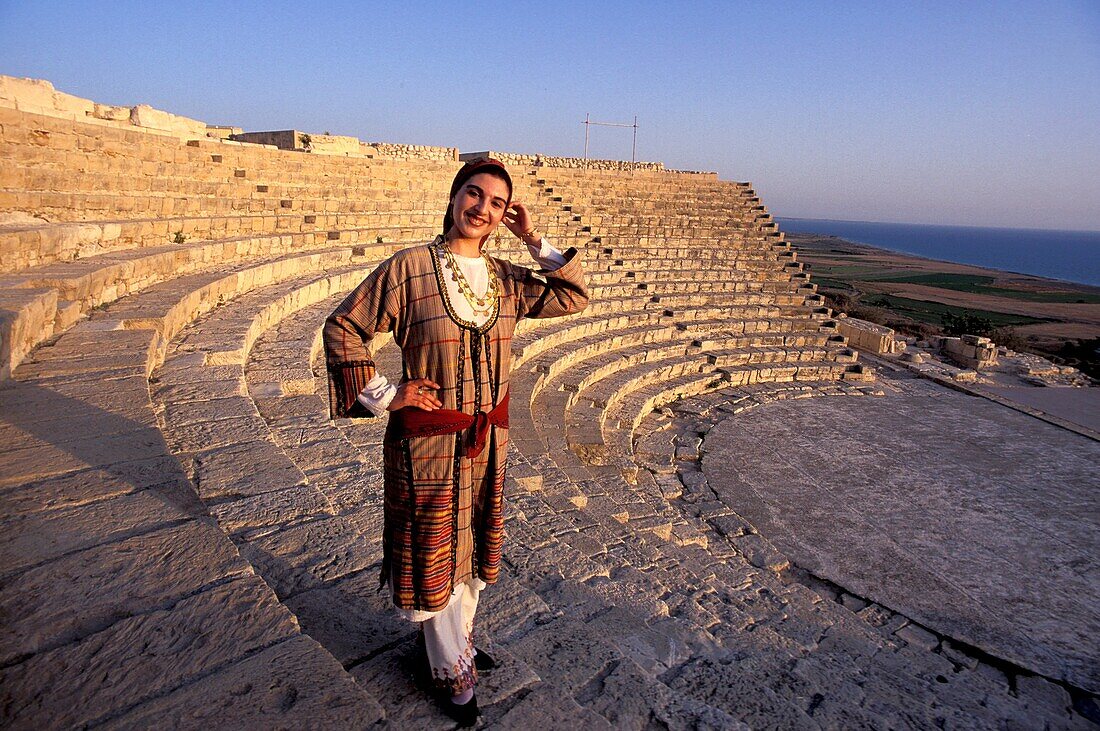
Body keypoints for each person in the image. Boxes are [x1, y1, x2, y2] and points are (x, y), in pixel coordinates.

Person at [322, 157, 588, 724]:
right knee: (437, 550)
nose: (482, 209)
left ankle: (453, 643)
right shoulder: (409, 269)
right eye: (474, 194)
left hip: (489, 440)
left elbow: (573, 297)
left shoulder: (505, 280)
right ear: (453, 196)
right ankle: (451, 671)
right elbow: (344, 328)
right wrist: (385, 393)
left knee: (470, 549)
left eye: (496, 203)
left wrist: (533, 238)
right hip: (428, 444)